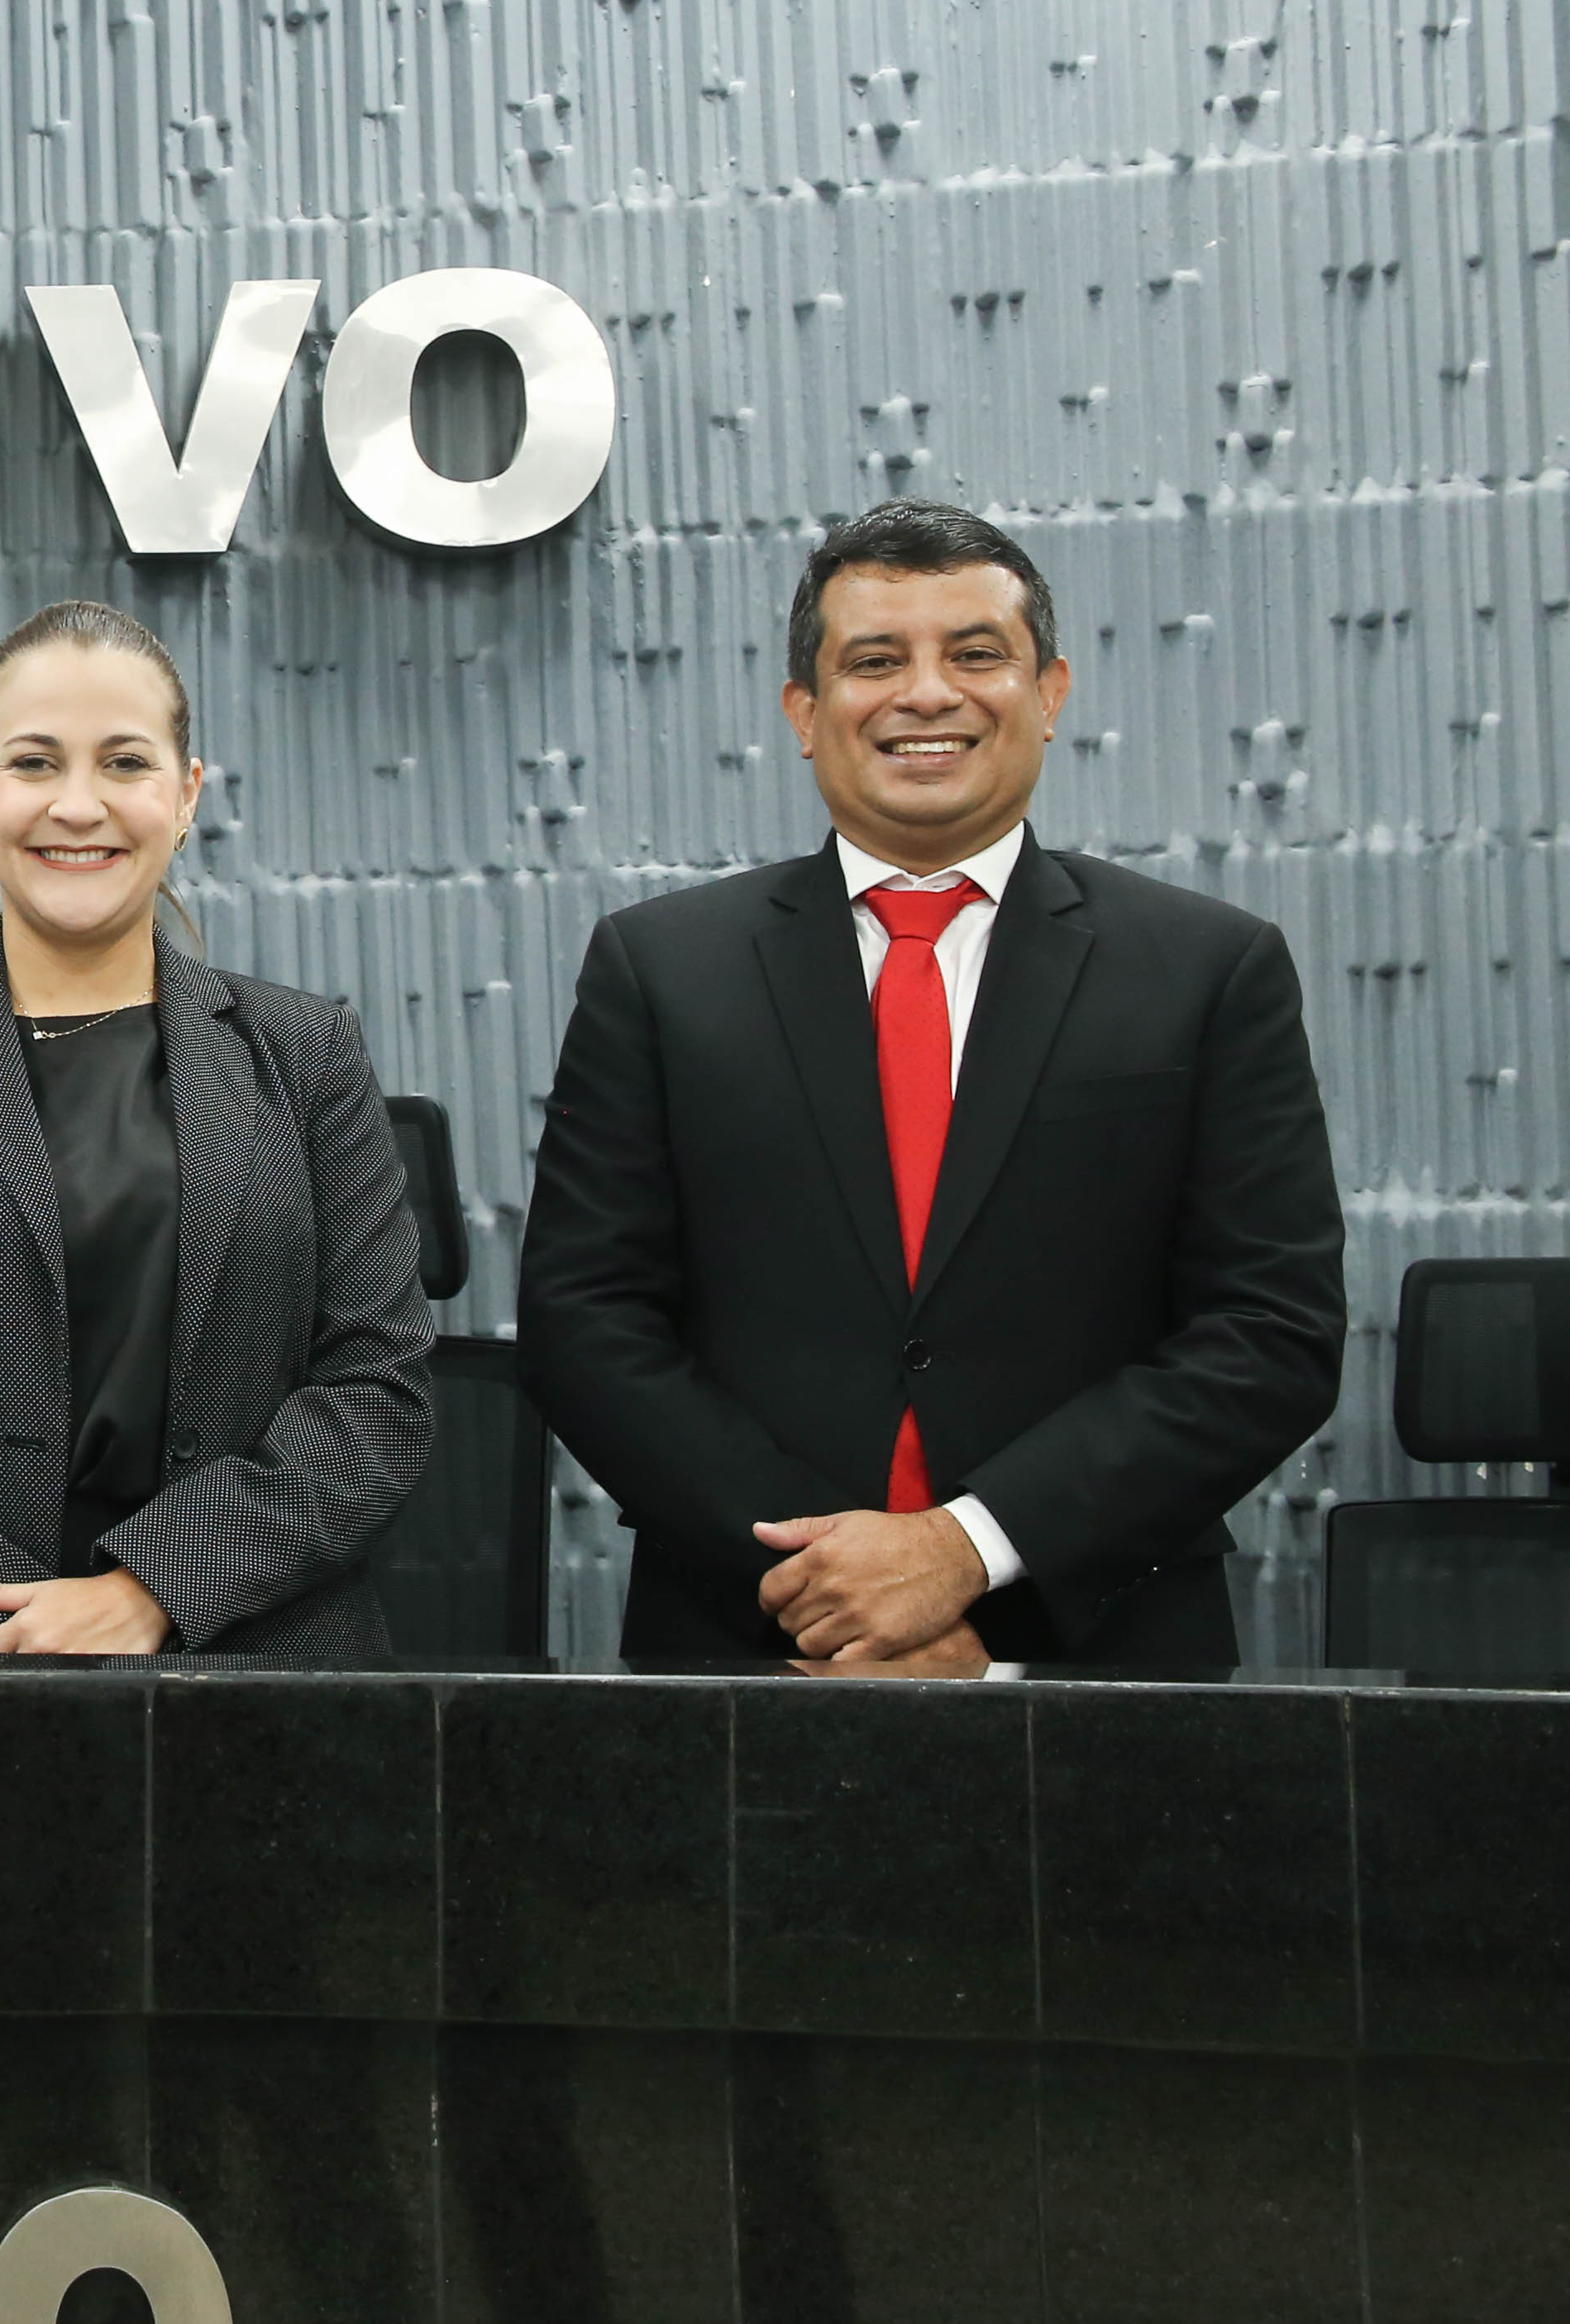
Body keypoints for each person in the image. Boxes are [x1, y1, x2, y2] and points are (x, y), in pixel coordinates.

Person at [519, 498, 1346, 1668]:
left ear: (1048, 693)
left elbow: (1270, 1332)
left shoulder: (1206, 968)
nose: (925, 692)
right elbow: (581, 1322)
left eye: (974, 653)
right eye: (872, 660)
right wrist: (822, 1585)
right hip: (748, 1646)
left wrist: (963, 1550)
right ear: (801, 715)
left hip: (1100, 1648)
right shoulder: (658, 968)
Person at [0, 601, 436, 1660]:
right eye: (33, 763)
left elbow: (377, 1391)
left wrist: (154, 1588)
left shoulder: (307, 1051)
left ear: (186, 794)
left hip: (262, 1669)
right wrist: (19, 1617)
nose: (78, 805)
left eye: (123, 762)